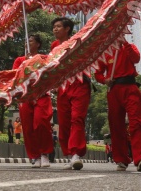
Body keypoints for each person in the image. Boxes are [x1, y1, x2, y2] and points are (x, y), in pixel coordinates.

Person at [95, 41, 141, 172]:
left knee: (137, 122)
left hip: (130, 88)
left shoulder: (130, 46)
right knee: (116, 125)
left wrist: (124, 43)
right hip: (113, 90)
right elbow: (98, 73)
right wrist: (104, 80)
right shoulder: (105, 52)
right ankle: (121, 159)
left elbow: (136, 58)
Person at [51, 17, 91, 171]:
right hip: (63, 87)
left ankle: (76, 154)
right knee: (64, 121)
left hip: (79, 83)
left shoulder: (78, 41)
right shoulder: (54, 46)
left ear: (67, 29)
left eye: (58, 26)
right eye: (54, 27)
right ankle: (69, 155)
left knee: (76, 118)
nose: (55, 29)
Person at [15, 34, 53, 168]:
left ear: (38, 44)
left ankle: (44, 153)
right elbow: (14, 77)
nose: (27, 44)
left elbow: (49, 75)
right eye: (26, 41)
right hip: (25, 97)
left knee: (41, 122)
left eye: (30, 41)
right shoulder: (20, 60)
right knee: (27, 127)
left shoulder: (43, 58)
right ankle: (34, 155)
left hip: (41, 94)